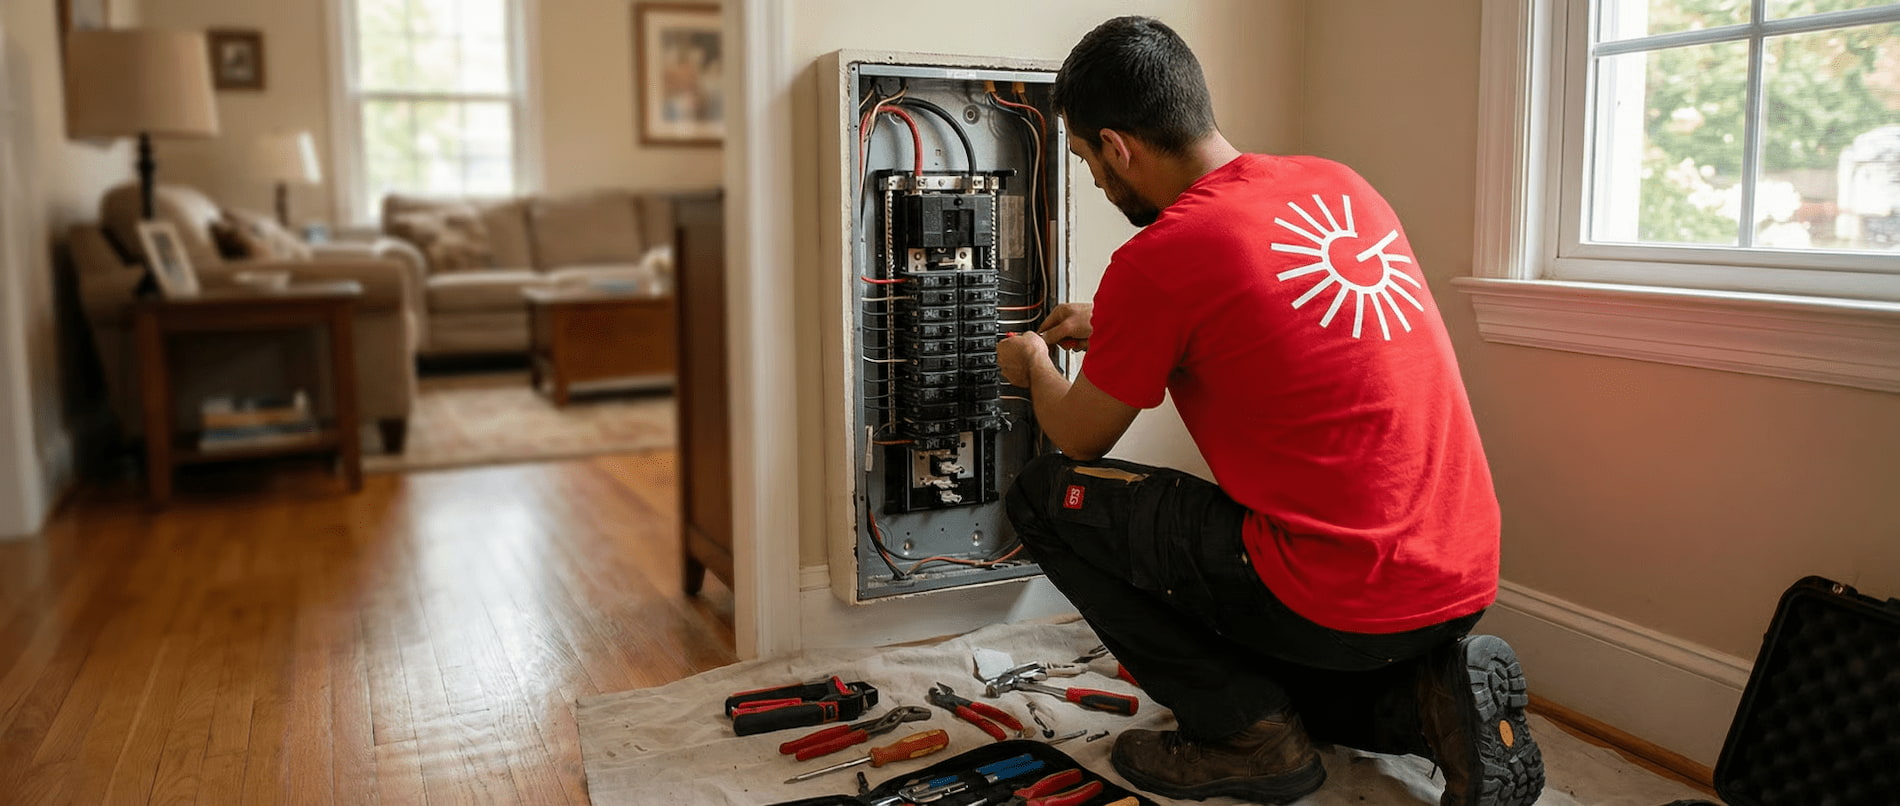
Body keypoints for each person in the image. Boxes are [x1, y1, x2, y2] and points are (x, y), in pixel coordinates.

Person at [995, 16, 1545, 806]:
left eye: (1086, 160)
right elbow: (1271, 319)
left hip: (1337, 597)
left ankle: (1242, 740)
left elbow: (1077, 430)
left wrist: (1034, 364)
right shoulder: (1339, 185)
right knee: (1272, 632)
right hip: (1457, 576)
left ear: (1118, 147)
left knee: (1046, 500)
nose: (1095, 182)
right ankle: (1430, 707)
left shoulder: (1161, 258)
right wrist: (1118, 326)